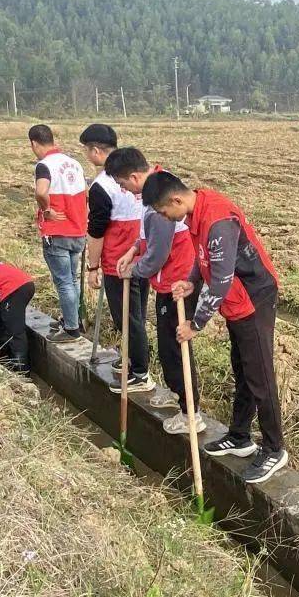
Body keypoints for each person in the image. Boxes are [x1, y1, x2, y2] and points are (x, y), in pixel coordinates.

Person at [142, 170, 287, 484]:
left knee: (259, 374)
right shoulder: (198, 209)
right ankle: (239, 436)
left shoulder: (216, 220)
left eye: (164, 212)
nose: (165, 218)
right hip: (235, 300)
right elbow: (203, 256)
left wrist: (195, 324)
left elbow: (220, 280)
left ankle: (275, 448)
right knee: (243, 368)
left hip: (253, 298)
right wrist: (191, 282)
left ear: (176, 200)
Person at [110, 148, 204, 435]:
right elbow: (146, 240)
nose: (123, 190)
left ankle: (192, 413)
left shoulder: (159, 205)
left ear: (135, 177)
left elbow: (158, 255)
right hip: (167, 281)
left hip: (178, 284)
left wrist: (135, 270)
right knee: (167, 347)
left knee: (175, 348)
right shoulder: (152, 194)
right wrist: (132, 251)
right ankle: (176, 394)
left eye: (123, 184)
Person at [78, 124, 153, 393]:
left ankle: (140, 373)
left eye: (87, 150)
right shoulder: (139, 173)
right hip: (143, 256)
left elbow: (96, 231)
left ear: (96, 150)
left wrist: (93, 267)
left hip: (118, 262)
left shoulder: (101, 185)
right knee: (137, 315)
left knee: (127, 318)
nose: (88, 156)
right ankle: (133, 358)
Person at [29, 124, 89, 342]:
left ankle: (71, 328)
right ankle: (72, 318)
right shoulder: (74, 162)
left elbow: (41, 191)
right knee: (72, 280)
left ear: (34, 143)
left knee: (63, 282)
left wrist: (46, 210)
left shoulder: (44, 166)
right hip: (78, 230)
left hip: (57, 232)